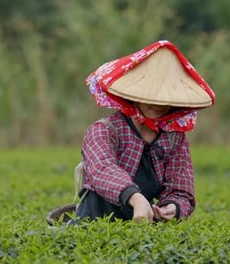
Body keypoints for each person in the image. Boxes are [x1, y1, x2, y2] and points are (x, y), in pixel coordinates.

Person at [76, 40, 215, 223]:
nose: (160, 105)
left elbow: (181, 188)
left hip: (144, 230)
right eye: (152, 96)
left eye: (167, 98)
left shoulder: (174, 138)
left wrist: (172, 207)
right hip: (96, 224)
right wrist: (135, 198)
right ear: (134, 95)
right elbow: (102, 170)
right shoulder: (104, 130)